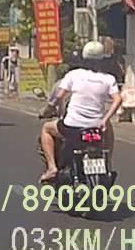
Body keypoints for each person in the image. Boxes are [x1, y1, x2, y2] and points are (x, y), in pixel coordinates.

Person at [38, 40, 123, 183]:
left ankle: (52, 168)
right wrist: (105, 119)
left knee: (46, 128)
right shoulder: (109, 79)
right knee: (109, 129)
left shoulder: (73, 75)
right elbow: (118, 99)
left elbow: (59, 96)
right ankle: (108, 164)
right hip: (96, 127)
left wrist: (54, 110)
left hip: (72, 127)